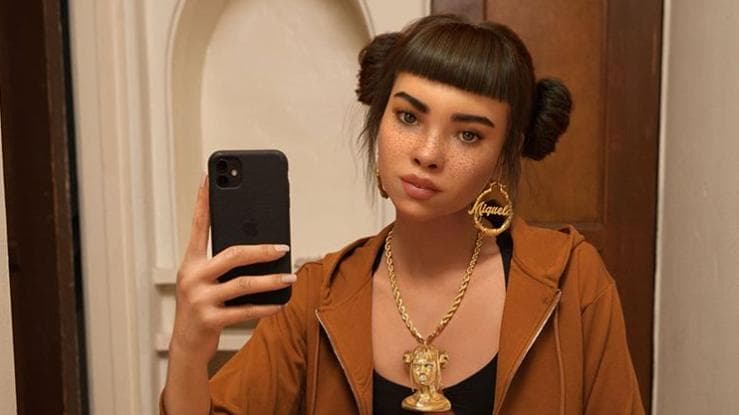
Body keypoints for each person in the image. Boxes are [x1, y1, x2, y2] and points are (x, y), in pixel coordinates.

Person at [161, 14, 644, 415]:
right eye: (409, 117)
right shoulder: (318, 295)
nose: (428, 153)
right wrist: (187, 348)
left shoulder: (570, 279)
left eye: (468, 134)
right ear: (379, 120)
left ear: (505, 153)